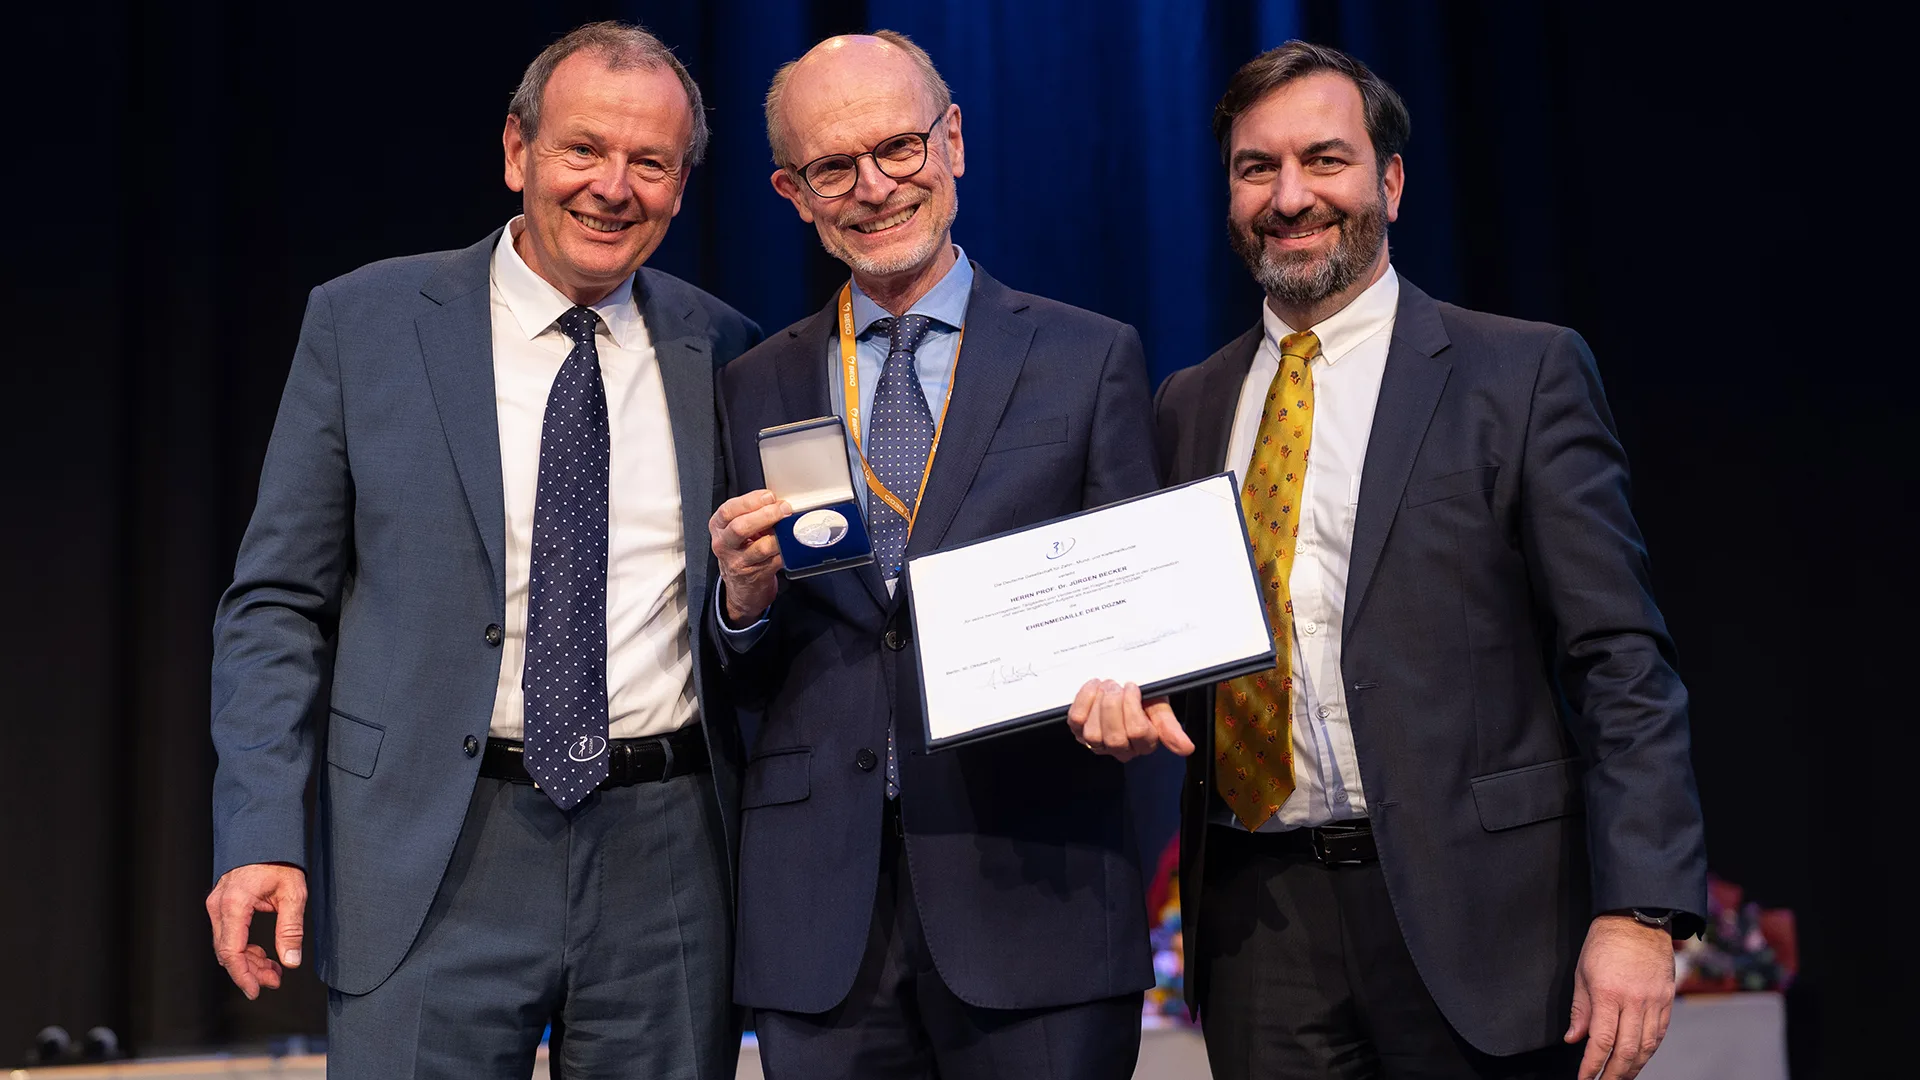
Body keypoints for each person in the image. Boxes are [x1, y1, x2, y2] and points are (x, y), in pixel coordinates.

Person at [205, 22, 759, 1078]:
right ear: (517, 151)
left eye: (649, 163)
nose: (612, 188)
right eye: (582, 149)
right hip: (427, 850)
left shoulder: (727, 349)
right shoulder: (364, 324)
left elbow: (749, 621)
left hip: (668, 861)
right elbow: (276, 603)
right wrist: (260, 828)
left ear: (681, 188)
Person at [1153, 41, 1708, 1080]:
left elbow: (1621, 661)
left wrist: (1640, 908)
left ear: (1392, 183)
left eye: (1325, 160)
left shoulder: (1521, 373)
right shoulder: (1187, 405)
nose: (1290, 197)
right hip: (1259, 922)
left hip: (1485, 920)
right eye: (1256, 168)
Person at [706, 31, 1190, 1080]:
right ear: (792, 193)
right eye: (834, 167)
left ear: (953, 141)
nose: (875, 188)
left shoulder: (1087, 355)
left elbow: (1135, 610)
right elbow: (745, 669)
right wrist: (741, 602)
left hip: (1036, 889)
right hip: (820, 920)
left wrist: (1132, 687)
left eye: (898, 148)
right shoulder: (751, 383)